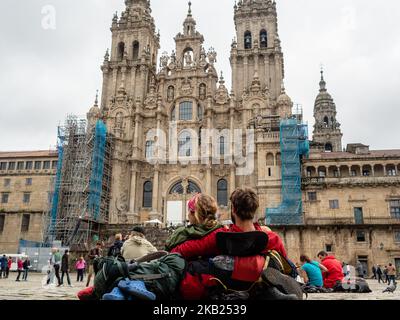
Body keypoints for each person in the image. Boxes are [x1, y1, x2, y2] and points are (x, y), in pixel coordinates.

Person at [171, 188, 288, 299]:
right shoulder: (272, 238)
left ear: (233, 210)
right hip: (258, 288)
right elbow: (287, 269)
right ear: (254, 209)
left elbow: (185, 249)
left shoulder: (221, 236)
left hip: (227, 289)